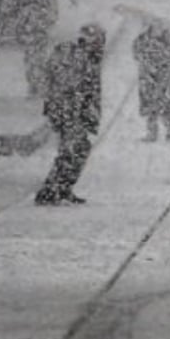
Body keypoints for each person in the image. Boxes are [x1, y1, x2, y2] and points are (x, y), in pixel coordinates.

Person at [35, 22, 105, 206]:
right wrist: (73, 108)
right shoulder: (72, 55)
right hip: (69, 111)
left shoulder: (88, 57)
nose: (99, 45)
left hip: (75, 111)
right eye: (97, 40)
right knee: (71, 150)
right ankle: (51, 191)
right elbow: (67, 84)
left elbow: (90, 89)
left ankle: (62, 189)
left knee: (78, 149)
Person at [132, 21, 170, 142]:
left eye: (160, 27)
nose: (157, 30)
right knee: (151, 107)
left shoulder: (169, 45)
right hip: (148, 79)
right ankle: (152, 133)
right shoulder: (143, 42)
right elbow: (136, 54)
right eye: (155, 27)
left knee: (165, 107)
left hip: (163, 80)